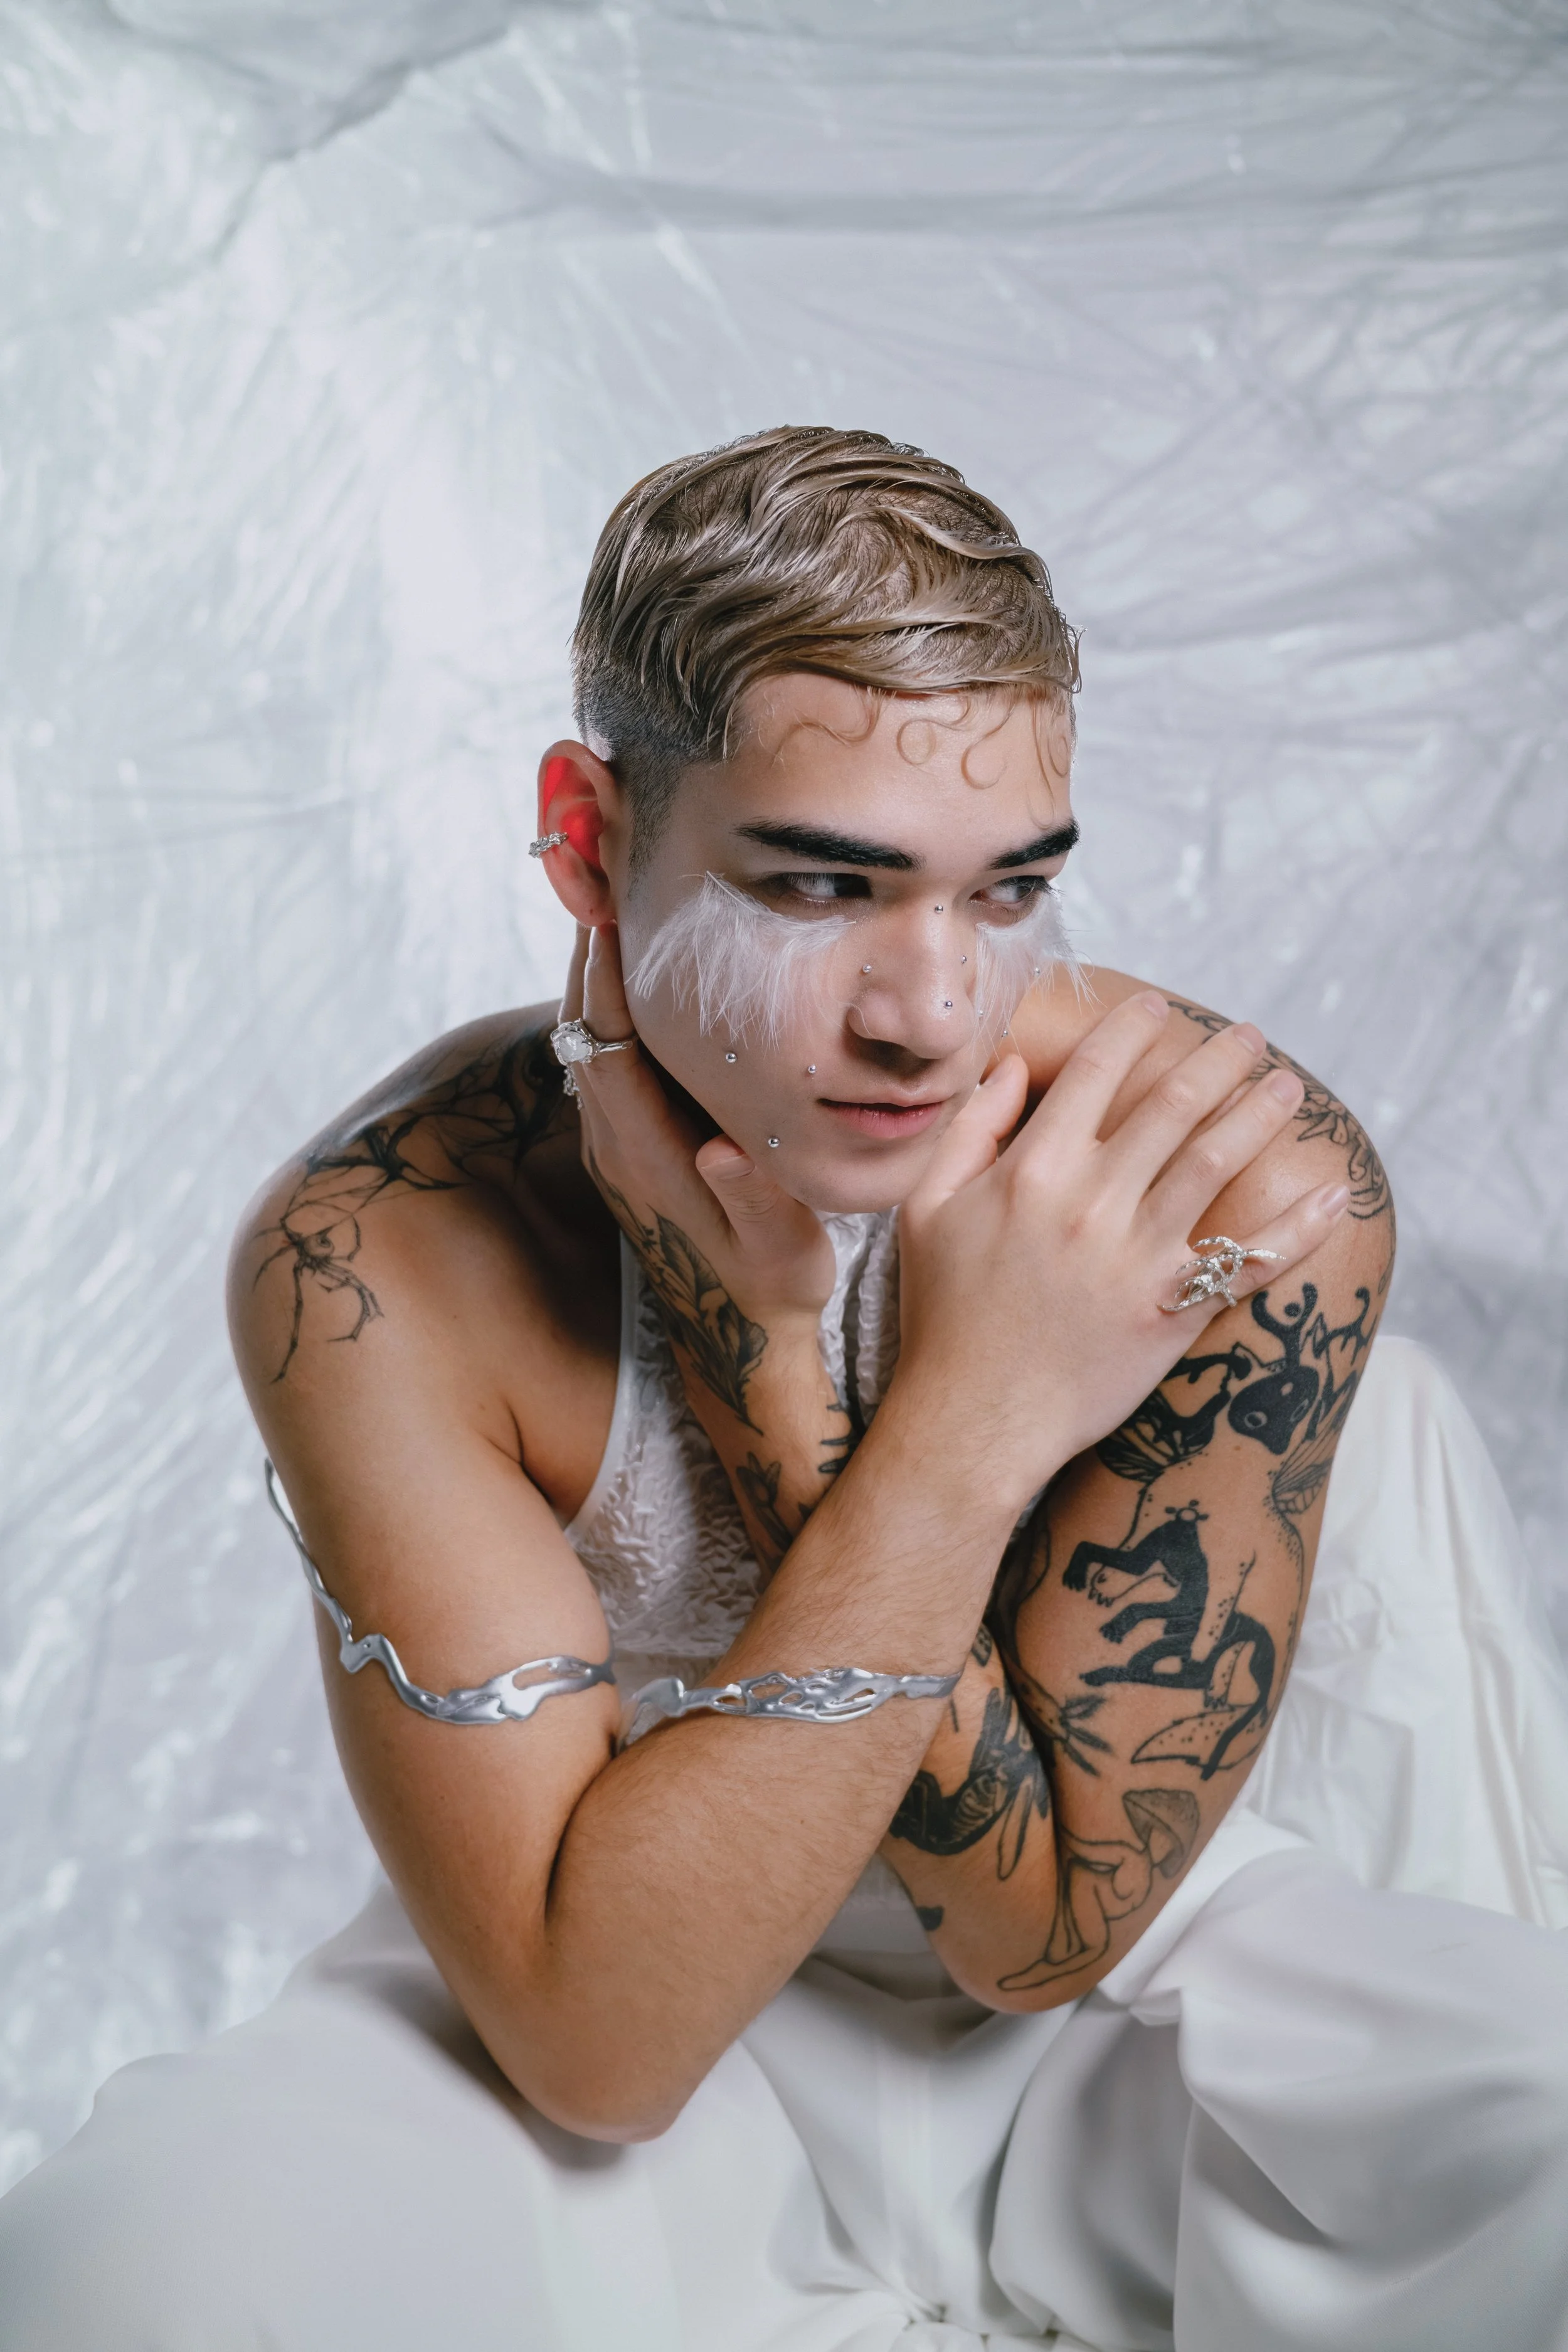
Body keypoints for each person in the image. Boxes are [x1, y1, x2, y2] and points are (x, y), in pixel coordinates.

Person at [4, 426, 1567, 2352]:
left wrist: (853, 1409)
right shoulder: (383, 1252)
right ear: (588, 835)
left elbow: (1040, 1936)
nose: (927, 1008)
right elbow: (596, 2044)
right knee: (134, 2282)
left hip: (1130, 2005)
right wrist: (903, 1410)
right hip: (630, 1987)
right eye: (825, 885)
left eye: (1006, 894)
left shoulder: (1231, 1187)